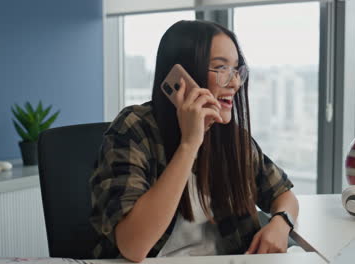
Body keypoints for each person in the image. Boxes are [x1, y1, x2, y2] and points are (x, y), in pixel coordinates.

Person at [90, 20, 299, 262]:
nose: (235, 83)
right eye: (221, 69)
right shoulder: (135, 127)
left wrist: (281, 223)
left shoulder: (231, 137)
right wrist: (189, 144)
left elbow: (284, 194)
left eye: (237, 70)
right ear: (183, 75)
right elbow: (133, 246)